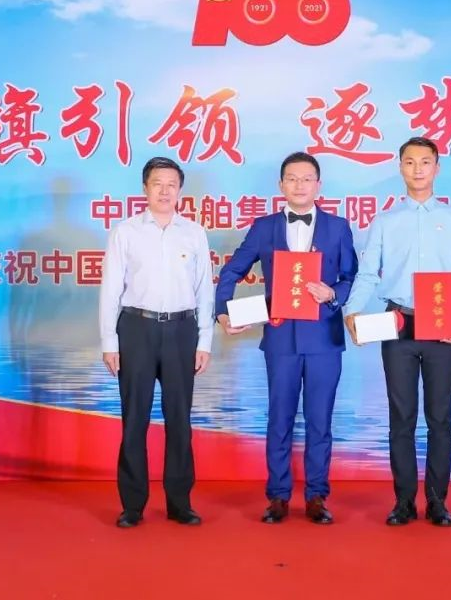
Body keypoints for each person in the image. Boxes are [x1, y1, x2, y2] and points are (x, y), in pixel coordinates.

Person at [343, 136, 451, 527]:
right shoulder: (386, 221)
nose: (417, 169)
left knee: (440, 418)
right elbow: (368, 273)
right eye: (409, 162)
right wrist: (352, 311)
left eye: (425, 162)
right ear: (400, 167)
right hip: (398, 323)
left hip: (443, 324)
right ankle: (403, 501)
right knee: (401, 417)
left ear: (437, 168)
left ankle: (438, 502)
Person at [215, 152, 358, 524]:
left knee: (319, 420)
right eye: (292, 178)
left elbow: (351, 278)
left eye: (307, 178)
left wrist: (333, 294)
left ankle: (316, 496)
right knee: (279, 418)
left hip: (324, 339)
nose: (299, 185)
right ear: (281, 185)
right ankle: (278, 496)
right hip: (280, 339)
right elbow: (231, 271)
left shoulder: (338, 227)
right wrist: (223, 310)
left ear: (318, 185)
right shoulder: (264, 228)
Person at [99, 157, 214, 528]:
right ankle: (132, 505)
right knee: (135, 419)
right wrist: (109, 341)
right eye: (157, 184)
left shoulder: (193, 233)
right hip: (137, 328)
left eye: (171, 185)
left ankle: (180, 502)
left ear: (180, 190)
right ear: (145, 188)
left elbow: (205, 289)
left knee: (179, 419)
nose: (165, 191)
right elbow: (111, 289)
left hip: (182, 330)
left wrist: (205, 340)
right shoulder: (126, 232)